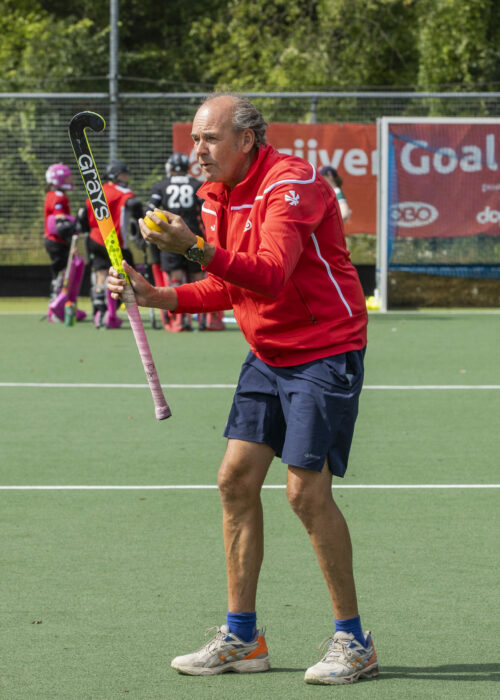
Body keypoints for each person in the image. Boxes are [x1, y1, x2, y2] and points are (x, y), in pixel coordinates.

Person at [108, 94, 377, 686]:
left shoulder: (292, 184)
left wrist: (193, 250)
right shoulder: (216, 196)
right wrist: (159, 294)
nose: (197, 153)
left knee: (305, 495)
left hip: (324, 351)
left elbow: (272, 272)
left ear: (247, 140)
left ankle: (354, 641)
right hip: (268, 352)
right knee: (235, 480)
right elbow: (232, 287)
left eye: (208, 140)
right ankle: (242, 636)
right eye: (195, 141)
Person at [148, 152, 223, 331]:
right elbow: (208, 207)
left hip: (170, 236)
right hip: (193, 236)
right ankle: (207, 321)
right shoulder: (196, 184)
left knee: (175, 278)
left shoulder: (161, 186)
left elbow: (150, 209)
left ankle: (179, 320)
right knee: (199, 277)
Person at [80, 161, 143, 328]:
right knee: (123, 275)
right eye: (124, 174)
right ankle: (112, 313)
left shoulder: (96, 191)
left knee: (101, 274)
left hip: (94, 239)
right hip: (114, 242)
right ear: (116, 175)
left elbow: (83, 215)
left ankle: (99, 312)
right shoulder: (123, 192)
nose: (126, 177)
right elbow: (134, 205)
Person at [43, 163, 76, 313]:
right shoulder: (58, 196)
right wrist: (72, 240)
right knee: (61, 273)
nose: (71, 180)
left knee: (59, 272)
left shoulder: (51, 194)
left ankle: (55, 302)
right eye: (68, 177)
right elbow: (60, 223)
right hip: (57, 241)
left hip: (52, 240)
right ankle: (56, 304)